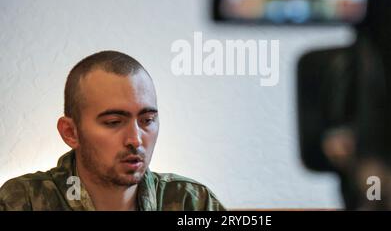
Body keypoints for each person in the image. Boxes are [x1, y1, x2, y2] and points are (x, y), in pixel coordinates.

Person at [0, 51, 225, 211]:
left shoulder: (191, 201)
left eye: (147, 120)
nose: (135, 140)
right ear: (70, 132)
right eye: (114, 122)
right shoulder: (23, 201)